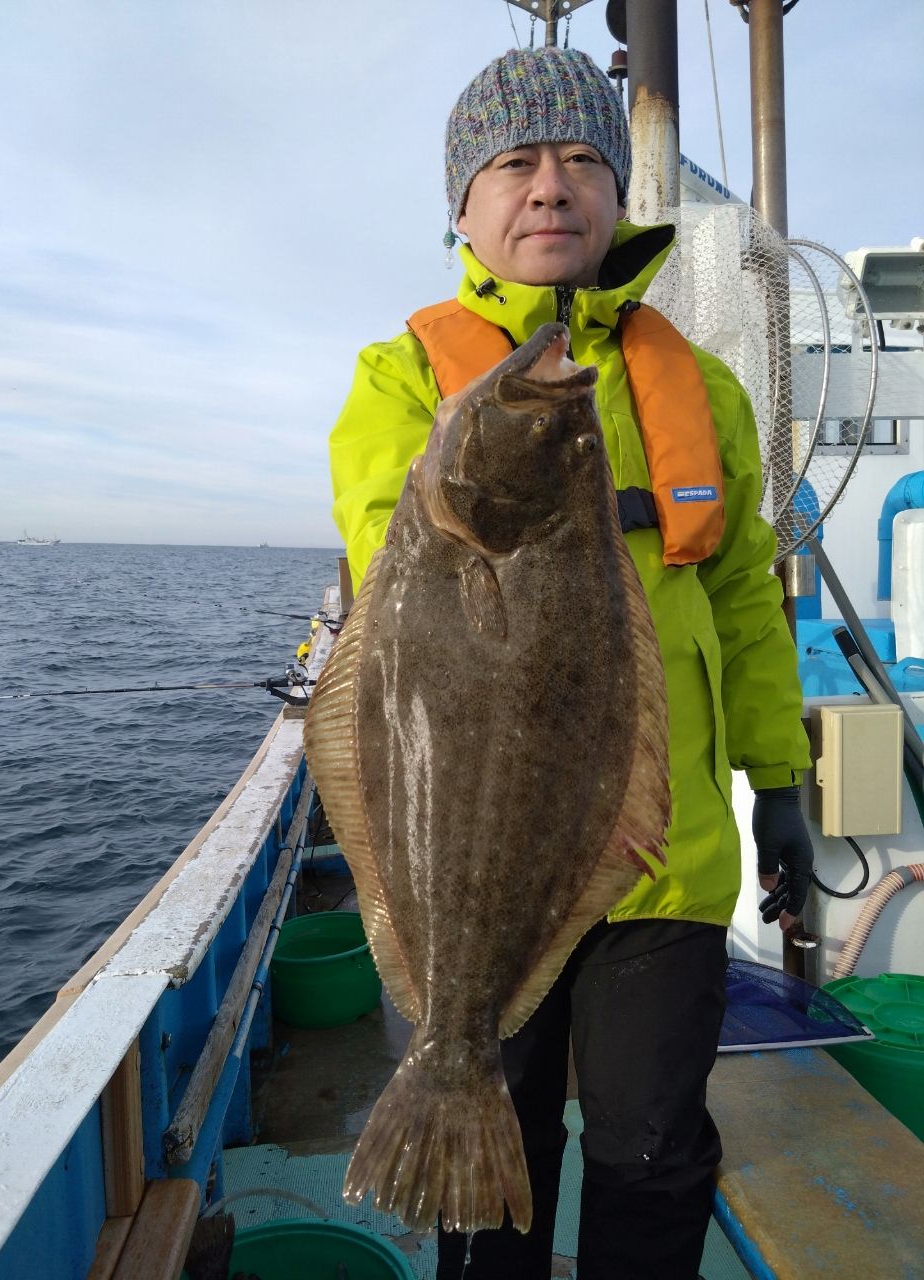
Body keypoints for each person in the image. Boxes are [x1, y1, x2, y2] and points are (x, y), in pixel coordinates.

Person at [329, 44, 814, 1280]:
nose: (553, 186)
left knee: (653, 1153)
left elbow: (750, 602)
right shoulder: (398, 379)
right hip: (480, 859)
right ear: (467, 207)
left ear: (615, 199)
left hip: (669, 859)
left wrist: (785, 784)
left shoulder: (699, 386)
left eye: (584, 158)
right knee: (503, 1166)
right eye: (516, 163)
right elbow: (391, 545)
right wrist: (470, 442)